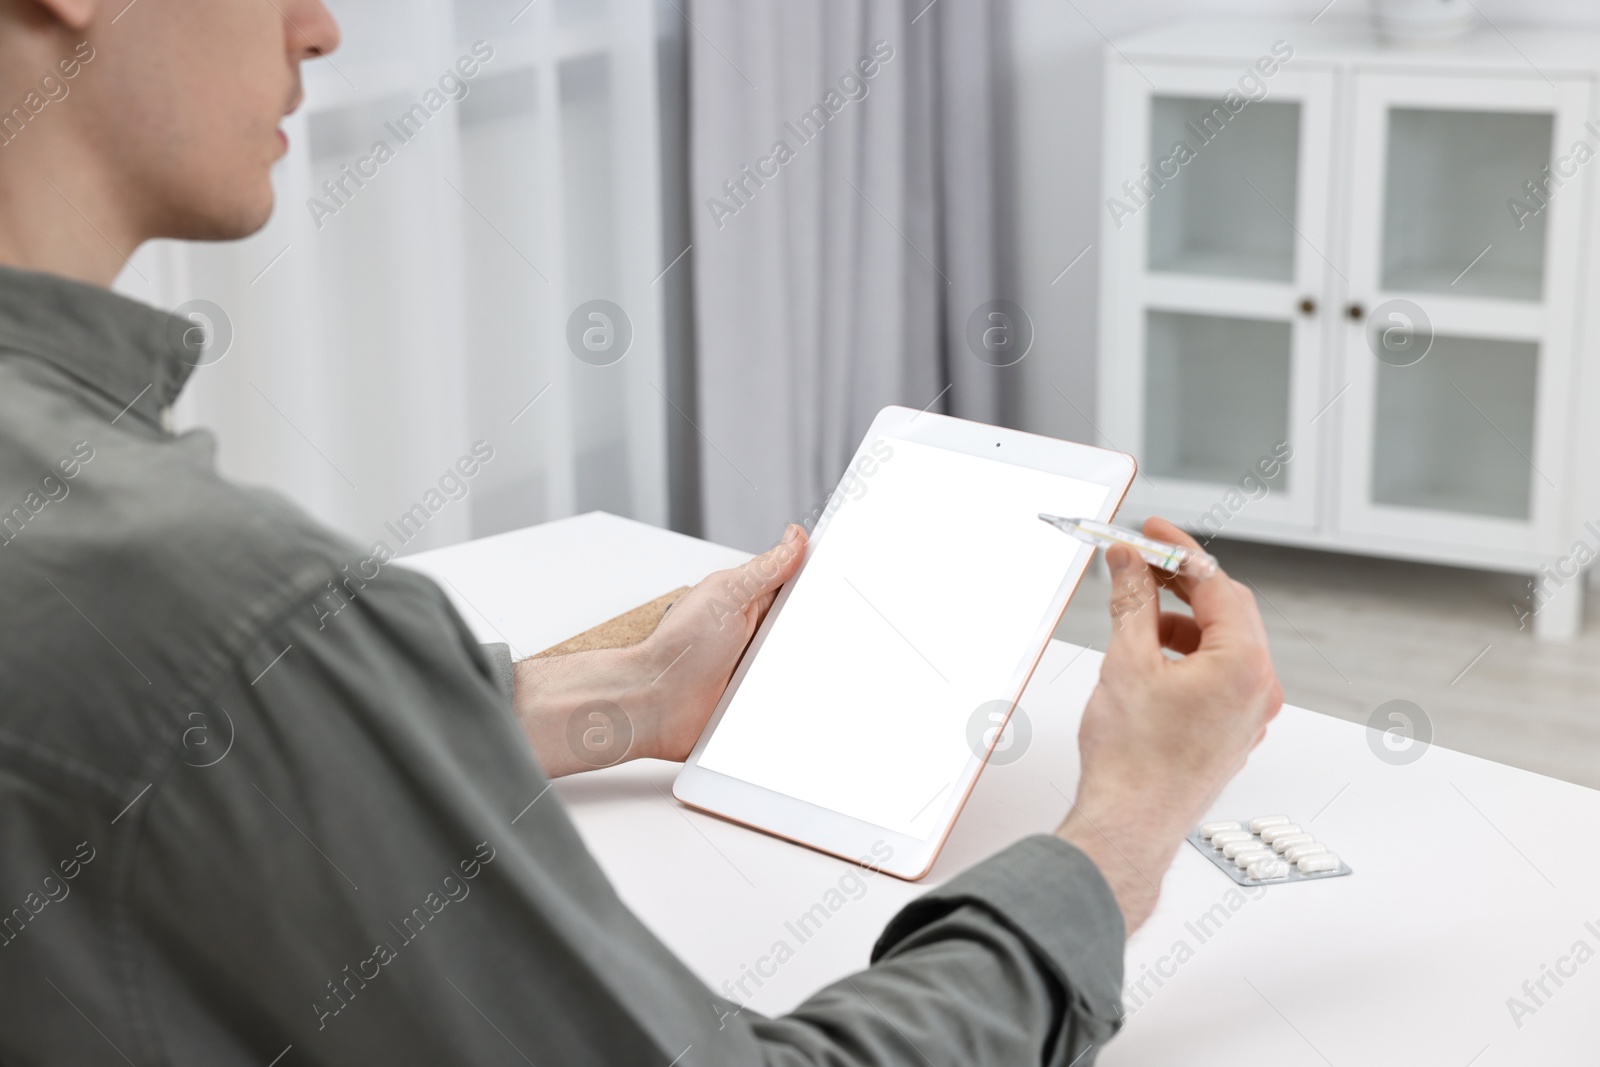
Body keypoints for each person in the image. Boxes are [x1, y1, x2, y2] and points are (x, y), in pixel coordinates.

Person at [0, 1, 1283, 1063]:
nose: (320, 29)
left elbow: (142, 765)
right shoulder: (218, 600)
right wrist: (1122, 827)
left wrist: (621, 694)